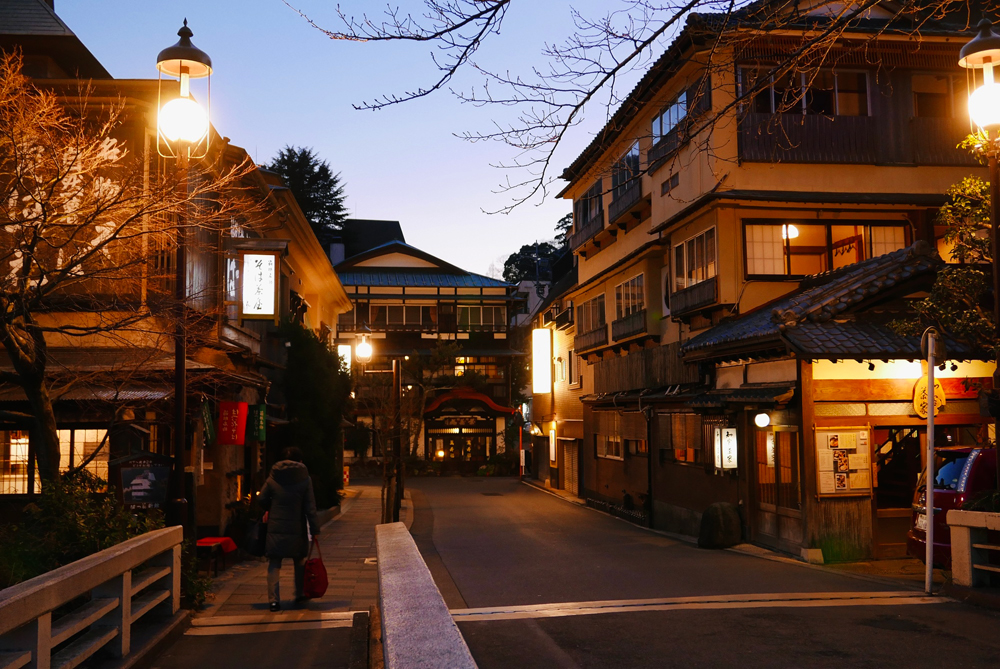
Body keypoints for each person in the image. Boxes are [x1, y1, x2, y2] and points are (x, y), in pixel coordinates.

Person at [258, 447, 319, 611]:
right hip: (296, 526)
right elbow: (310, 506)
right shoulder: (304, 478)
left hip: (276, 525)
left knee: (274, 563)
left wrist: (270, 508)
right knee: (299, 561)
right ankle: (299, 595)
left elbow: (262, 498)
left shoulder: (273, 476)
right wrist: (314, 528)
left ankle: (273, 601)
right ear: (300, 461)